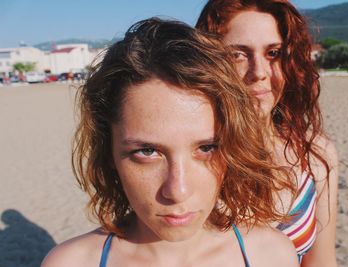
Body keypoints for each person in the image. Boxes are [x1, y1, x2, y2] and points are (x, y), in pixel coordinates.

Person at [41, 18, 299, 267]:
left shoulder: (272, 256)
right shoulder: (69, 263)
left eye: (206, 148)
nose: (178, 191)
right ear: (108, 151)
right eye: (147, 151)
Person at [196, 1, 339, 266]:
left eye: (273, 53)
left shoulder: (315, 155)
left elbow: (322, 262)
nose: (259, 73)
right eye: (237, 55)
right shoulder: (189, 161)